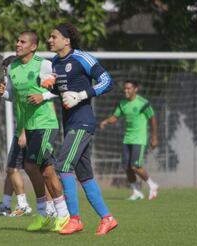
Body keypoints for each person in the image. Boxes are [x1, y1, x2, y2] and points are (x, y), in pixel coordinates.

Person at [46, 22, 118, 236]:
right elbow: (62, 92)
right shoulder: (55, 62)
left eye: (54, 36)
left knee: (63, 166)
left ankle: (74, 219)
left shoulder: (82, 58)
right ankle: (108, 218)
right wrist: (47, 91)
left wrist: (82, 95)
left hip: (82, 122)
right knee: (84, 175)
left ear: (66, 40)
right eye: (50, 37)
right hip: (69, 123)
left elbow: (107, 80)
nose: (50, 40)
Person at [6, 31, 70, 232]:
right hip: (29, 125)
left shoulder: (43, 64)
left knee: (43, 168)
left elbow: (56, 89)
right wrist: (4, 93)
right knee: (31, 168)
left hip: (45, 123)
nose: (17, 44)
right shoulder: (12, 67)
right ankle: (43, 213)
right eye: (17, 40)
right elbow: (14, 96)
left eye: (22, 41)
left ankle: (63, 214)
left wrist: (43, 96)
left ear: (33, 47)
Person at [0, 55, 33, 216]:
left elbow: (30, 108)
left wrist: (23, 132)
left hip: (28, 130)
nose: (6, 75)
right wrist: (5, 94)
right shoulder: (17, 83)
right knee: (11, 170)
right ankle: (5, 204)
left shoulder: (25, 81)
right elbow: (16, 99)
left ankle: (24, 205)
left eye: (6, 71)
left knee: (17, 169)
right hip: (23, 130)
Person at [100, 80, 159, 200]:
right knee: (127, 167)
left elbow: (152, 118)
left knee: (135, 166)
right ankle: (136, 192)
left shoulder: (143, 103)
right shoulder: (122, 103)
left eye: (129, 88)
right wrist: (106, 121)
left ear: (135, 89)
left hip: (139, 139)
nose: (126, 91)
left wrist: (154, 137)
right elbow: (115, 117)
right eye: (125, 89)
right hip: (127, 138)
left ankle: (152, 185)